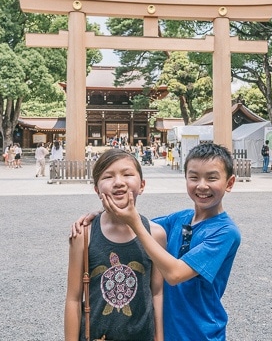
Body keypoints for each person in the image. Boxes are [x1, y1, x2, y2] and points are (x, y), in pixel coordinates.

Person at [73, 143, 241, 340]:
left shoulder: (225, 232)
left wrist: (133, 221)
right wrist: (103, 214)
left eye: (212, 178)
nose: (202, 185)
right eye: (194, 177)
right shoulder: (179, 219)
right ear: (186, 179)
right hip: (165, 330)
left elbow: (175, 274)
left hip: (200, 331)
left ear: (229, 183)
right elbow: (134, 226)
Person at [64, 148, 166, 341]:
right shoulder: (84, 235)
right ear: (96, 189)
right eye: (108, 176)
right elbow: (73, 298)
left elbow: (157, 292)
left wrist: (159, 337)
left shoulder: (157, 234)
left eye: (127, 174)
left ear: (142, 185)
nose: (119, 182)